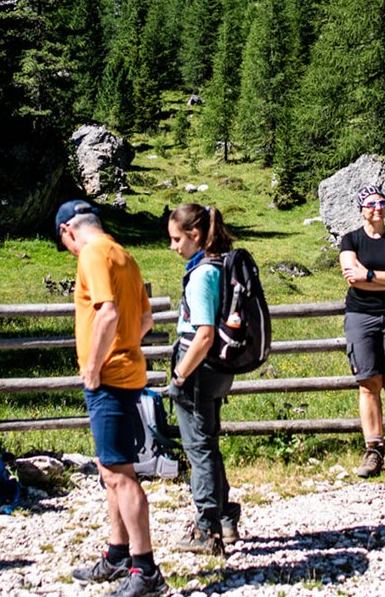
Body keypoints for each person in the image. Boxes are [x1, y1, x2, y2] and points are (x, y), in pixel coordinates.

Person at [57, 200, 167, 597]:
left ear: (69, 229)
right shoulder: (124, 254)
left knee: (120, 473)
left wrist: (94, 366)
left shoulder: (91, 253)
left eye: (63, 241)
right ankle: (118, 555)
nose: (67, 249)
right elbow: (145, 320)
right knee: (110, 468)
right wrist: (124, 350)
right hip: (128, 373)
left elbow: (106, 312)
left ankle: (146, 569)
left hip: (108, 379)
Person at [164, 202, 239, 555]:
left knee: (199, 449)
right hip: (217, 370)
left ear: (194, 236)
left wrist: (179, 376)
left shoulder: (202, 274)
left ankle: (206, 527)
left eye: (177, 239)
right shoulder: (221, 266)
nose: (173, 246)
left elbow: (204, 334)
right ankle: (226, 516)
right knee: (207, 442)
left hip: (198, 367)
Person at [337, 184, 385, 478]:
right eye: (370, 204)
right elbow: (352, 279)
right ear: (361, 210)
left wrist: (369, 274)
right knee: (368, 382)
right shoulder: (351, 240)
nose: (377, 207)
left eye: (381, 202)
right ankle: (373, 449)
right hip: (361, 316)